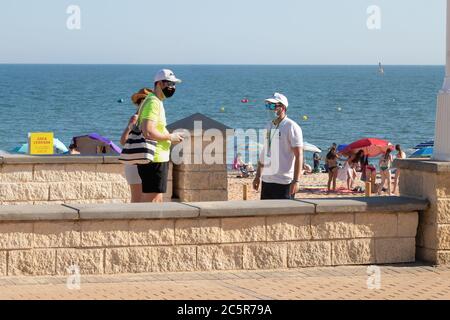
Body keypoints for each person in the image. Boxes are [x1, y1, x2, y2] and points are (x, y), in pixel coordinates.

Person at [137, 69, 184, 203]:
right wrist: (170, 137)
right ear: (158, 84)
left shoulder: (154, 100)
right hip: (155, 158)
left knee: (156, 199)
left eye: (174, 84)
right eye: (169, 84)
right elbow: (148, 131)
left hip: (156, 158)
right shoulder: (153, 102)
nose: (172, 87)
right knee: (152, 202)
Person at [252, 93, 303, 200]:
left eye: (272, 106)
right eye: (268, 106)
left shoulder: (291, 126)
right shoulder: (268, 125)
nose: (270, 109)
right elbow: (264, 152)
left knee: (284, 216)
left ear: (283, 107)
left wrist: (296, 181)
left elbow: (299, 155)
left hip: (284, 182)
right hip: (267, 181)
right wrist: (257, 176)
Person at [119, 88, 151, 203]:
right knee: (138, 199)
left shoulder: (150, 118)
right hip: (135, 163)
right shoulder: (135, 118)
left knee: (145, 199)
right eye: (141, 101)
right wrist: (130, 126)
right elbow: (123, 141)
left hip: (144, 162)